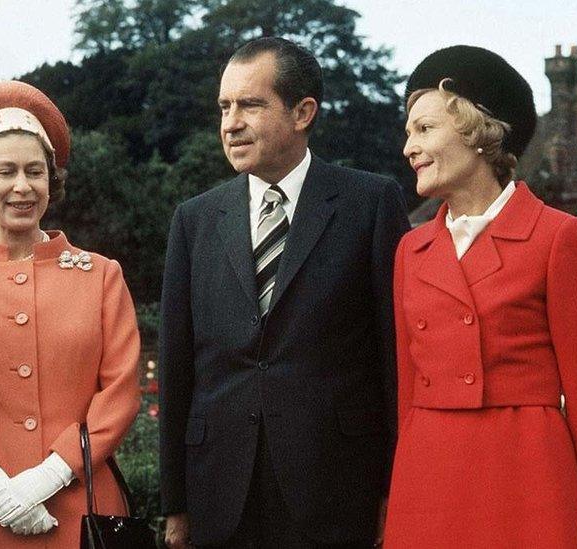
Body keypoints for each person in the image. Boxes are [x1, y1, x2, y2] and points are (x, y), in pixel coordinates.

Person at [158, 36, 410, 549]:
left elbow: (397, 357)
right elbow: (177, 366)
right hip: (219, 492)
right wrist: (175, 504)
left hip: (338, 491)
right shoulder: (195, 219)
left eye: (250, 104)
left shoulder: (371, 203)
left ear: (302, 112)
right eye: (224, 107)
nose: (230, 123)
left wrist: (395, 487)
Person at [385, 45, 577, 549]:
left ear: (478, 134)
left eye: (424, 129)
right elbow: (406, 393)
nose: (409, 148)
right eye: (408, 133)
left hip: (528, 476)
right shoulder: (411, 249)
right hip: (428, 481)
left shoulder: (559, 237)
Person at [0, 80, 141, 548]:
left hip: (80, 507)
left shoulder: (101, 275)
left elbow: (120, 391)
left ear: (51, 183)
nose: (23, 186)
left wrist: (51, 475)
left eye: (36, 171)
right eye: (5, 171)